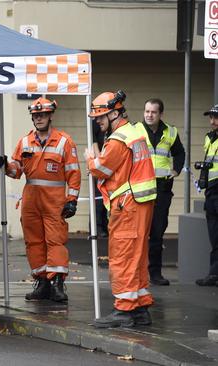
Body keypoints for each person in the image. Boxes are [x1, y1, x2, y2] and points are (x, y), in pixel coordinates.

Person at [0, 97, 81, 303]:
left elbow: (74, 173)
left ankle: (57, 284)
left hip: (54, 201)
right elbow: (17, 171)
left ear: (50, 115)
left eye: (42, 115)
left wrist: (72, 199)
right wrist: (6, 164)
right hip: (31, 200)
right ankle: (42, 282)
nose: (39, 118)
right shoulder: (24, 142)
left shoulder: (64, 141)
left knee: (55, 240)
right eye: (36, 116)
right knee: (33, 242)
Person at [85, 91, 157, 328]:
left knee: (122, 256)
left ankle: (125, 309)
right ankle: (140, 307)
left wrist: (89, 159)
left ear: (115, 113)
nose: (98, 121)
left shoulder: (118, 139)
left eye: (101, 116)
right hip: (140, 204)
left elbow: (101, 169)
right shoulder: (136, 131)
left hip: (127, 205)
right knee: (137, 256)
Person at [135, 99, 185, 286]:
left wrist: (176, 170)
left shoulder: (170, 132)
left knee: (157, 231)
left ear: (160, 114)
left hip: (163, 189)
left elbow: (180, 153)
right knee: (140, 232)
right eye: (147, 111)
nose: (149, 115)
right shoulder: (136, 130)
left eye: (153, 112)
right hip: (141, 187)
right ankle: (137, 273)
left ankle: (155, 273)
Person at [194, 104, 218, 287]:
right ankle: (214, 274)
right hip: (211, 190)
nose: (212, 121)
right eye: (211, 117)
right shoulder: (209, 138)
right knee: (214, 236)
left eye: (216, 117)